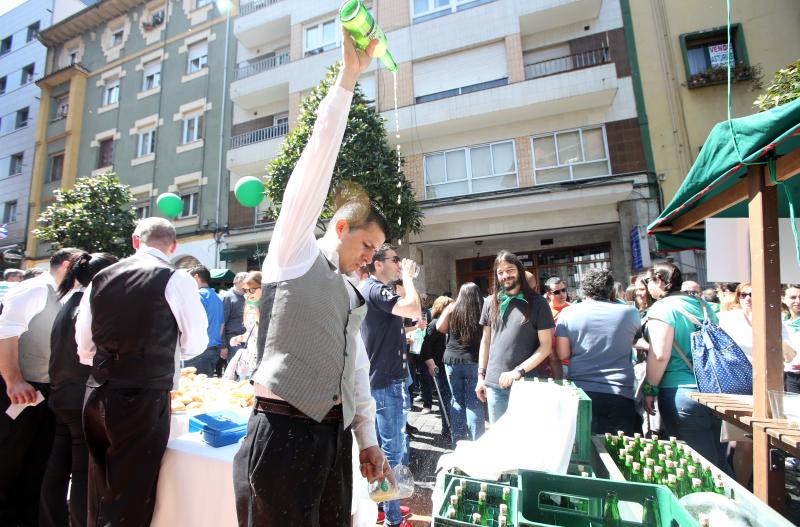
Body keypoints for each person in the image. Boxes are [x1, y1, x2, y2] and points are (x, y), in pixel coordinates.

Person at [232, 32, 390, 527]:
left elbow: (355, 371)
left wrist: (367, 440)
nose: (369, 259)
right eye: (366, 246)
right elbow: (314, 165)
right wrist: (347, 80)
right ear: (340, 227)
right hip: (282, 433)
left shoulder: (350, 290)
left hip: (332, 439)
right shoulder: (294, 253)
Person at [76, 218, 209, 526]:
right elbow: (197, 342)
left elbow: (84, 344)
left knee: (101, 483)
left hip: (97, 389)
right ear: (173, 246)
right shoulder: (175, 279)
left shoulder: (101, 278)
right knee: (131, 491)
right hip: (142, 394)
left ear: (135, 241)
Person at [0, 248, 80, 526]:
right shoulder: (34, 289)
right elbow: (6, 333)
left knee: (38, 457)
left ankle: (26, 514)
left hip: (48, 389)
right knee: (9, 454)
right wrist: (13, 379)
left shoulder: (63, 293)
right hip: (21, 387)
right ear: (68, 265)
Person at [40, 252, 118, 527]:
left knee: (59, 464)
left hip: (62, 394)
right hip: (80, 397)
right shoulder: (91, 303)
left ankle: (52, 520)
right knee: (83, 469)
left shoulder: (68, 301)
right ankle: (79, 522)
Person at [642, 262, 732, 475]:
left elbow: (660, 355)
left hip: (681, 392)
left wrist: (649, 390)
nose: (647, 286)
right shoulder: (702, 305)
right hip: (713, 389)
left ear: (660, 280)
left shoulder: (662, 309)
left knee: (698, 467)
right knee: (720, 460)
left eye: (648, 281)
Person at [360, 244, 421, 527]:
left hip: (382, 381)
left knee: (384, 450)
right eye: (394, 260)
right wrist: (408, 277)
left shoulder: (374, 290)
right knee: (393, 453)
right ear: (378, 265)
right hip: (385, 383)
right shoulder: (375, 288)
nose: (399, 263)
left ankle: (385, 508)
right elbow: (414, 307)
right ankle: (393, 519)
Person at [556, 268, 642, 435]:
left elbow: (563, 354)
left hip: (581, 392)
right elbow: (635, 340)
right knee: (620, 453)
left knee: (585, 453)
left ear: (584, 288)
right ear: (610, 288)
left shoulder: (568, 313)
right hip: (620, 393)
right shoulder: (630, 313)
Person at [477, 251, 555, 423]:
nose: (505, 275)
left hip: (525, 383)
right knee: (500, 440)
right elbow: (486, 341)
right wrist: (481, 376)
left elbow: (546, 346)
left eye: (510, 270)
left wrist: (517, 371)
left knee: (525, 439)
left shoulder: (539, 303)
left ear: (519, 270)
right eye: (500, 272)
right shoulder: (490, 302)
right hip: (494, 384)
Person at [436, 283, 486, 444]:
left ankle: (457, 442)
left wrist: (449, 308)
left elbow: (439, 327)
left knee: (457, 400)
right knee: (474, 402)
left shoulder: (453, 309)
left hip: (452, 360)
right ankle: (476, 442)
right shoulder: (482, 309)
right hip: (474, 361)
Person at [420, 295, 454, 440]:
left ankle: (450, 426)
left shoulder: (446, 323)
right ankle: (446, 429)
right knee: (444, 397)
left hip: (446, 364)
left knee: (448, 397)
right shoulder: (434, 324)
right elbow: (425, 346)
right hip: (438, 366)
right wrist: (431, 364)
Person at [187, 265, 226, 377]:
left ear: (196, 277)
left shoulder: (198, 295)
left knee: (191, 389)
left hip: (198, 351)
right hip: (213, 350)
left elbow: (191, 322)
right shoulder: (217, 297)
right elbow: (221, 324)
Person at [223, 271, 262, 382]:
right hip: (248, 358)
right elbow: (251, 332)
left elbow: (265, 331)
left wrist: (258, 311)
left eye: (252, 290)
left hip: (261, 360)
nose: (248, 294)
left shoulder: (270, 307)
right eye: (245, 290)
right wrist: (239, 338)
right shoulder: (249, 305)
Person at [220, 271, 248, 376]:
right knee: (234, 373)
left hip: (246, 341)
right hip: (233, 341)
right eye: (245, 281)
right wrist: (223, 346)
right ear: (236, 281)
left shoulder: (248, 297)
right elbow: (222, 323)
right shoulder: (228, 297)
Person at [541, 276, 569, 378]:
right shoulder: (543, 311)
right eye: (557, 292)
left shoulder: (573, 309)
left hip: (573, 364)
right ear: (549, 294)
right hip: (551, 365)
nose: (562, 294)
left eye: (563, 290)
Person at [782, 285, 800, 393]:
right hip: (791, 377)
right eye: (793, 297)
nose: (797, 301)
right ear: (783, 299)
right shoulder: (782, 324)